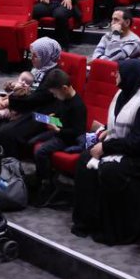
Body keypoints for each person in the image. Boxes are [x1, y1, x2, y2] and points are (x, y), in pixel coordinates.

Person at [70, 60, 140, 246]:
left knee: (110, 170)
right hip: (122, 146)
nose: (115, 76)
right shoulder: (123, 94)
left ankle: (113, 231)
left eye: (118, 73)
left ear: (131, 76)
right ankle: (87, 222)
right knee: (85, 160)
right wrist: (107, 131)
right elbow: (118, 124)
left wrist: (106, 148)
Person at [26, 68, 87, 204]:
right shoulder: (63, 99)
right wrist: (53, 118)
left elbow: (77, 131)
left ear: (64, 88)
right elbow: (61, 116)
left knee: (41, 151)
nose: (54, 96)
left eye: (55, 93)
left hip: (67, 138)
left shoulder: (78, 105)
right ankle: (41, 174)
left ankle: (46, 182)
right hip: (59, 130)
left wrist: (57, 130)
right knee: (31, 141)